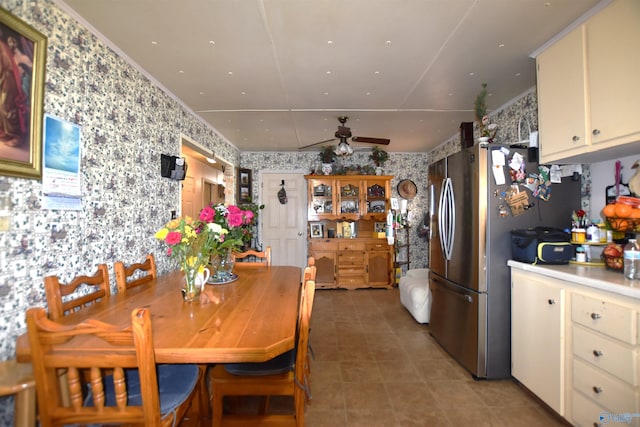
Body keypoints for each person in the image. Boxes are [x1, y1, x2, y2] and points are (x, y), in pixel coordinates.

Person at [0, 35, 28, 147]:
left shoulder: (3, 48)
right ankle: (7, 132)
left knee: (6, 106)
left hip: (8, 80)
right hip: (4, 79)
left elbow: (6, 66)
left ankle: (13, 134)